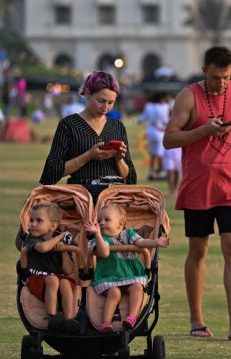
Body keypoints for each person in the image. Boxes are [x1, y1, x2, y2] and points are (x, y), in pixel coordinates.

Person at [163, 45, 231, 340]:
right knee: (198, 250)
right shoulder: (188, 95)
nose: (222, 84)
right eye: (216, 77)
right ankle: (196, 321)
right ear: (205, 71)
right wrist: (203, 130)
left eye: (227, 77)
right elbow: (169, 139)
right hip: (198, 186)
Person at [39, 71, 137, 186]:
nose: (105, 107)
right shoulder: (69, 125)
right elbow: (51, 172)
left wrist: (119, 159)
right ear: (87, 93)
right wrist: (88, 156)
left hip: (111, 198)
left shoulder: (117, 126)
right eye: (101, 101)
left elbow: (131, 180)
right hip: (80, 196)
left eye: (111, 102)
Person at [84, 204, 170, 333]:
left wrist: (155, 242)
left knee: (137, 287)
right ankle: (105, 323)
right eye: (99, 221)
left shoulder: (128, 234)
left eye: (107, 220)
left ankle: (131, 318)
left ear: (120, 224)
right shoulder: (100, 239)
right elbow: (104, 252)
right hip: (109, 277)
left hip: (130, 275)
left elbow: (141, 243)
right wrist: (97, 234)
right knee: (114, 293)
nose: (101, 223)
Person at [24, 202, 80, 333]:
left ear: (53, 226)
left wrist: (63, 251)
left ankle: (69, 319)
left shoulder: (59, 241)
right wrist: (61, 236)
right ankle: (52, 317)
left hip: (58, 279)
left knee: (65, 282)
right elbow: (43, 248)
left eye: (39, 221)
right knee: (53, 279)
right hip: (37, 279)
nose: (33, 224)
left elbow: (68, 270)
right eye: (31, 220)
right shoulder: (32, 239)